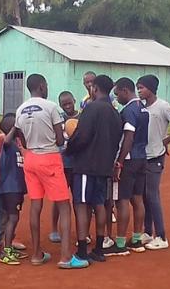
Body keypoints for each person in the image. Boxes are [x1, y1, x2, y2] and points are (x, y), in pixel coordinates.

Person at [5, 74, 89, 269]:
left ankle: (36, 254)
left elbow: (21, 138)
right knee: (64, 206)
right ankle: (66, 257)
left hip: (31, 159)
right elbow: (60, 140)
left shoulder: (20, 109)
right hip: (49, 159)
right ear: (42, 86)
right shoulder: (51, 107)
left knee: (35, 205)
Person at [66, 75, 123, 262]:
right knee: (99, 205)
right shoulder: (115, 112)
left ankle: (82, 250)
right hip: (104, 166)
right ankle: (99, 248)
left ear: (95, 88)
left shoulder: (91, 108)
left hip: (86, 165)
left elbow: (82, 136)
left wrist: (70, 148)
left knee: (81, 205)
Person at [137, 74, 170, 250]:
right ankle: (147, 231)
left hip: (155, 157)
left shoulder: (163, 106)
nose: (139, 90)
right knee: (144, 195)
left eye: (142, 87)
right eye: (138, 87)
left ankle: (161, 236)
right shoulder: (141, 107)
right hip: (143, 156)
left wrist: (165, 141)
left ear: (151, 88)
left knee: (152, 195)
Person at [106, 77, 150, 256]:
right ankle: (137, 239)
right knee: (137, 198)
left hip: (129, 159)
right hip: (142, 158)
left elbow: (129, 137)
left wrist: (119, 162)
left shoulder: (130, 110)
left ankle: (121, 242)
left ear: (125, 90)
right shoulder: (143, 108)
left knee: (122, 200)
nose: (117, 98)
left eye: (117, 94)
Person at [0, 116, 27, 257]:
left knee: (11, 215)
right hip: (7, 186)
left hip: (16, 186)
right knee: (3, 215)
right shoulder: (3, 139)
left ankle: (8, 240)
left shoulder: (17, 142)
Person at [49, 91, 78, 243]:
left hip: (78, 165)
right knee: (58, 199)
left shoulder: (82, 118)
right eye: (64, 104)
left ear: (74, 100)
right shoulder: (59, 120)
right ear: (60, 105)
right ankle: (54, 229)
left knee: (78, 200)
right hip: (61, 165)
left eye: (69, 103)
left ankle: (82, 232)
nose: (67, 106)